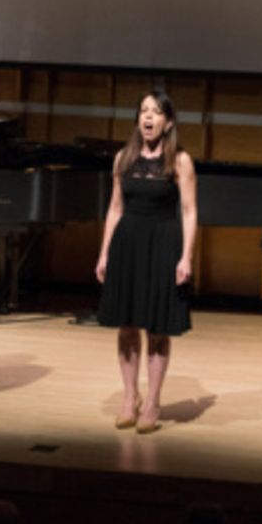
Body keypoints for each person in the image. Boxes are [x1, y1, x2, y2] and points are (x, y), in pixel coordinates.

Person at [95, 90, 197, 433]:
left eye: (155, 112)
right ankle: (130, 398)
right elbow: (115, 208)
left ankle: (153, 402)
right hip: (128, 243)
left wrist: (186, 256)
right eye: (143, 111)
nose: (148, 117)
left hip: (163, 243)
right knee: (126, 325)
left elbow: (189, 211)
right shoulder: (124, 157)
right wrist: (105, 252)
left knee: (157, 327)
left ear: (167, 122)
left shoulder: (180, 161)